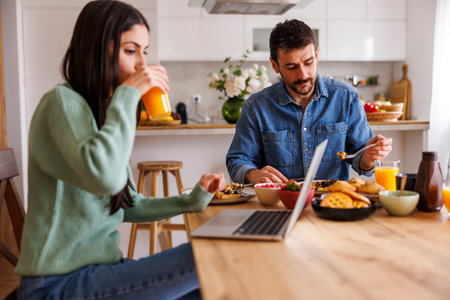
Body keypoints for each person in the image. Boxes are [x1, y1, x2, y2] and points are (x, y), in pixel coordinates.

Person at [15, 1, 224, 299]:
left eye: (145, 51)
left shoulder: (102, 112)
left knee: (208, 287)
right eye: (131, 50)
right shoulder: (62, 103)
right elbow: (107, 179)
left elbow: (127, 204)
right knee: (210, 253)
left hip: (100, 271)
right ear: (97, 49)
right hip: (56, 284)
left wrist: (191, 200)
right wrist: (127, 96)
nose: (142, 63)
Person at [226, 19, 393, 184]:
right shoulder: (256, 107)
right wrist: (253, 174)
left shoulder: (346, 97)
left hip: (331, 203)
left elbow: (360, 159)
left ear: (317, 55)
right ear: (275, 65)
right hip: (279, 203)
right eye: (291, 67)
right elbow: (237, 160)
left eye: (308, 62)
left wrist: (369, 157)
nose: (303, 74)